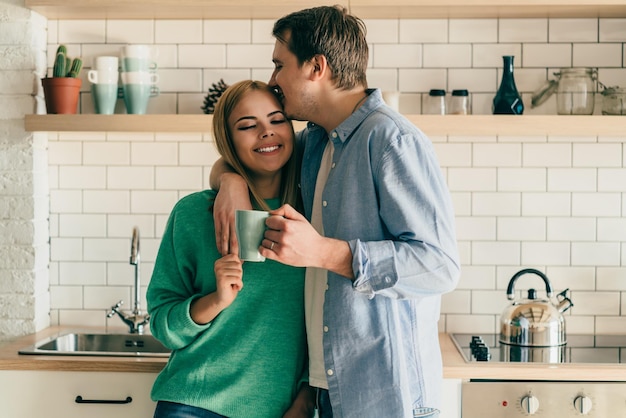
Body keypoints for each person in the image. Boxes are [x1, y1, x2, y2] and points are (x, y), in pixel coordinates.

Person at [210, 6, 461, 418]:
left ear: (316, 67)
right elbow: (246, 159)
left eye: (279, 64)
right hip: (330, 390)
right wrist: (230, 182)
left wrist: (323, 252)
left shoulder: (392, 141)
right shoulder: (315, 144)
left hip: (386, 396)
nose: (273, 81)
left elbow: (439, 266)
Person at [147, 80, 314, 418]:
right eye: (248, 126)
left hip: (280, 410)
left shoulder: (313, 218)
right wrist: (215, 301)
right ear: (228, 141)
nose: (266, 133)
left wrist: (307, 396)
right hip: (193, 403)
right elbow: (163, 325)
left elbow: (330, 321)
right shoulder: (193, 214)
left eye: (277, 120)